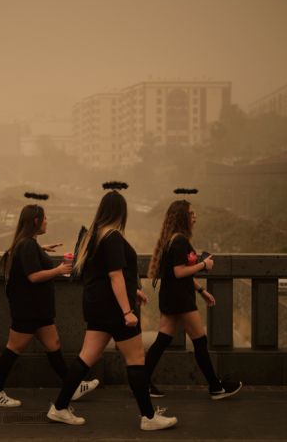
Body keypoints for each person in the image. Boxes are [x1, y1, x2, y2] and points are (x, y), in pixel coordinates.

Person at [46, 183, 178, 431]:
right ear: (121, 212)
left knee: (87, 356)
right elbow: (115, 276)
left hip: (97, 306)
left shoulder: (95, 236)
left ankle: (60, 407)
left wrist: (133, 291)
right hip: (114, 310)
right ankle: (148, 417)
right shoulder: (113, 237)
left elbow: (105, 275)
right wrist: (127, 310)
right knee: (136, 357)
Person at [0, 197, 99, 408]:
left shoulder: (28, 244)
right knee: (13, 349)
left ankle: (72, 386)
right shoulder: (27, 245)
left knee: (53, 344)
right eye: (45, 218)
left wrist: (40, 249)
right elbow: (33, 276)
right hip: (28, 310)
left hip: (38, 309)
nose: (48, 221)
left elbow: (20, 256)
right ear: (36, 221)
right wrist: (58, 270)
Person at [145, 198, 242, 400]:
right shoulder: (179, 241)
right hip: (180, 298)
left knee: (162, 341)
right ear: (183, 217)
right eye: (191, 213)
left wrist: (201, 290)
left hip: (172, 296)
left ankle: (141, 382)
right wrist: (204, 265)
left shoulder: (172, 239)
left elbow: (176, 274)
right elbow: (180, 272)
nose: (195, 217)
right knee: (200, 340)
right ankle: (216, 387)